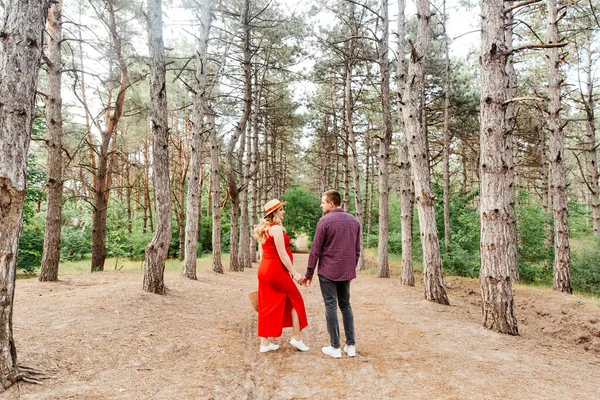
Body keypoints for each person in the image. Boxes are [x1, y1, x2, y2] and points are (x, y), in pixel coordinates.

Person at [299, 190, 359, 358]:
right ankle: (351, 345)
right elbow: (356, 250)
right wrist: (350, 268)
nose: (321, 205)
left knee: (331, 306)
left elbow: (315, 250)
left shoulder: (325, 221)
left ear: (331, 204)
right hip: (345, 272)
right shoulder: (354, 221)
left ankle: (335, 347)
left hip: (328, 272)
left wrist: (309, 273)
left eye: (323, 202)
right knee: (346, 305)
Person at [253, 199, 309, 353]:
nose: (284, 212)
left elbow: (262, 254)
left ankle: (264, 343)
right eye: (281, 210)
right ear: (274, 213)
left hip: (265, 270)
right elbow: (283, 255)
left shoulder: (264, 229)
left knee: (266, 305)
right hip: (276, 272)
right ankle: (297, 339)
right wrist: (296, 274)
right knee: (296, 300)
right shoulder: (276, 230)